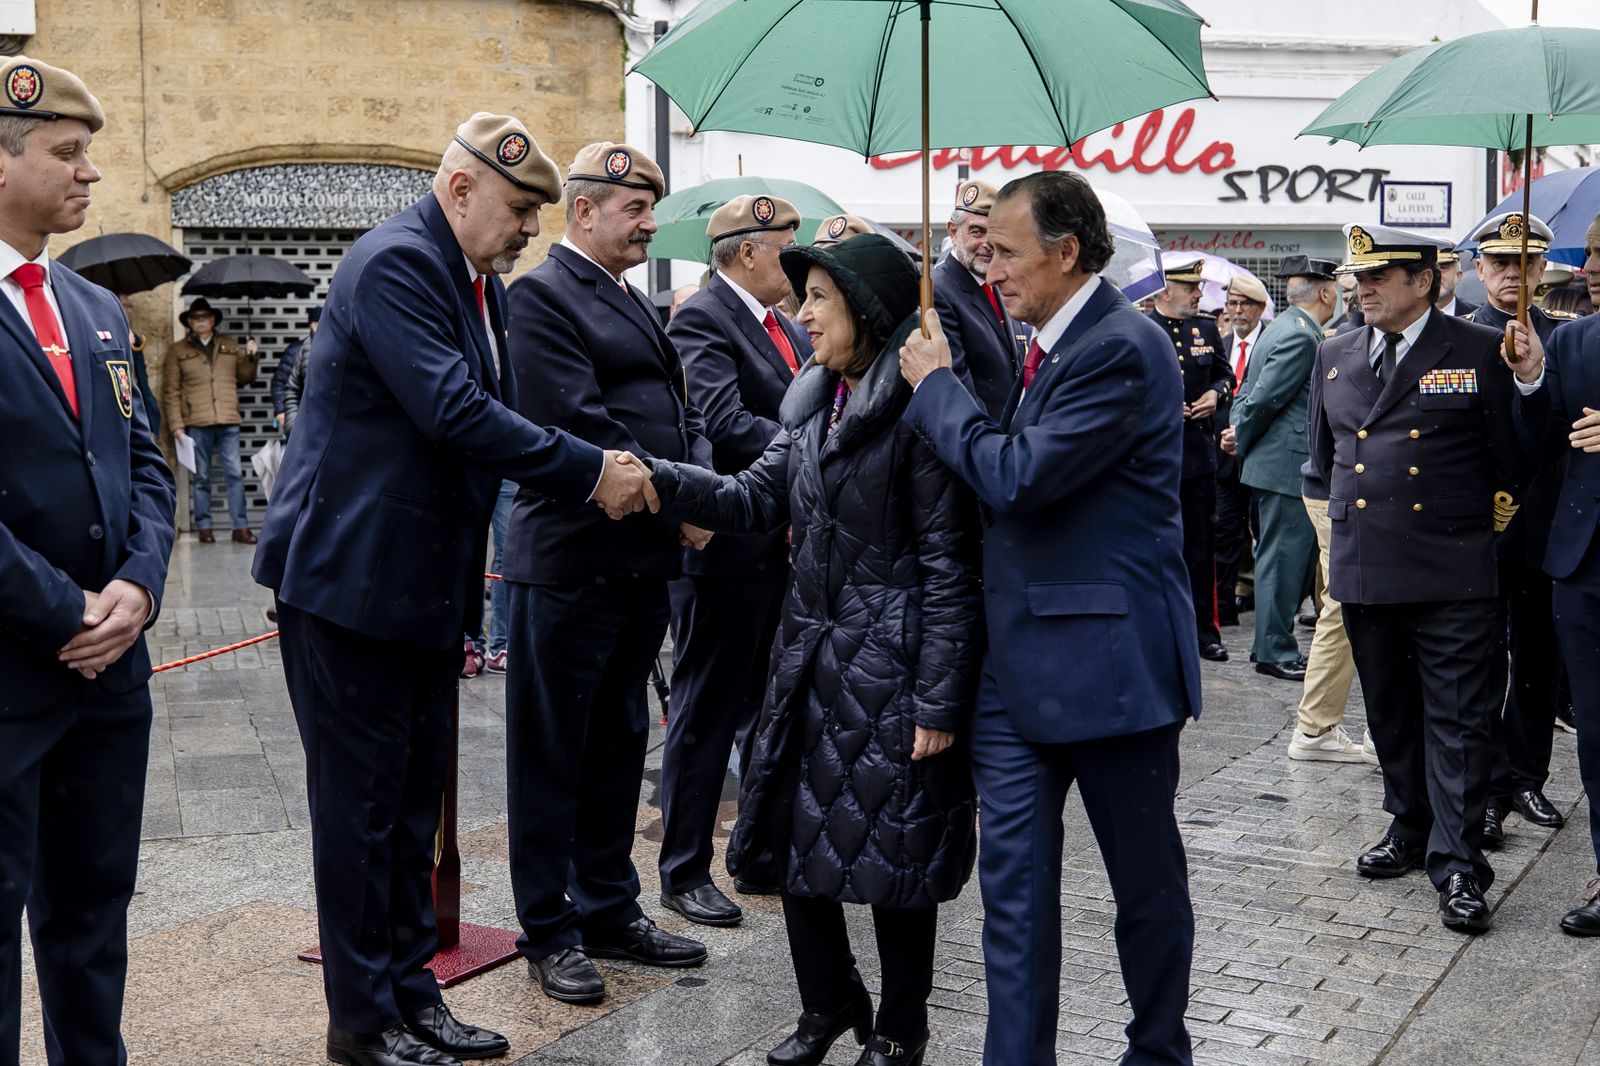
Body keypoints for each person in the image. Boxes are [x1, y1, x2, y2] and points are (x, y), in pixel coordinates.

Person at [254, 113, 656, 1066]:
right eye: (519, 208)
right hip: (350, 582)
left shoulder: (478, 281)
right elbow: (453, 410)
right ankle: (360, 1021)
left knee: (404, 810)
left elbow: (493, 410)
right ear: (461, 187)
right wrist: (588, 468)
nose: (528, 230)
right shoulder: (397, 262)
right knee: (361, 814)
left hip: (423, 584)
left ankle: (411, 994)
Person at [644, 233, 981, 1066]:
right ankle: (827, 1003)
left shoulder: (918, 412)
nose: (802, 313)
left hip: (892, 667)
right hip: (808, 659)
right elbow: (754, 498)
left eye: (821, 298)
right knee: (798, 841)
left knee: (897, 855)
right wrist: (654, 476)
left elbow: (951, 566)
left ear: (867, 312)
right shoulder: (815, 400)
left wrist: (939, 702)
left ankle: (901, 1029)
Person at [899, 171, 1200, 1066]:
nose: (990, 269)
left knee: (1143, 888)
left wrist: (938, 389)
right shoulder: (1041, 343)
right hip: (1016, 674)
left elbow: (1018, 478)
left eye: (1008, 251)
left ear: (1069, 253)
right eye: (982, 248)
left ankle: (1157, 1051)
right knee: (1015, 898)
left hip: (1113, 674)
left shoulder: (1122, 346)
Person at [501, 140, 712, 1007]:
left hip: (637, 559)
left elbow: (681, 411)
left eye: (650, 207)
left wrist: (694, 487)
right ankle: (548, 929)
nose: (650, 222)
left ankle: (608, 906)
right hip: (572, 560)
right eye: (633, 207)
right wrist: (687, 499)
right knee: (553, 752)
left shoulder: (630, 300)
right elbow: (577, 425)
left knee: (620, 741)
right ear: (583, 211)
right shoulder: (541, 297)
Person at [0, 55, 177, 1066]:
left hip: (112, 675)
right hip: (13, 668)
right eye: (66, 154)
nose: (89, 175)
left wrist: (141, 585)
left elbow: (144, 461)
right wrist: (64, 608)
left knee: (92, 918)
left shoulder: (96, 308)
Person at [1310, 222, 1530, 934]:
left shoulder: (1475, 349)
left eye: (1378, 277)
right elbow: (1324, 457)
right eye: (1357, 277)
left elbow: (1515, 459)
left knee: (1460, 724)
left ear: (1425, 282)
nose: (1361, 288)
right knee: (1391, 714)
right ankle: (1408, 825)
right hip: (1368, 568)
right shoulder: (1335, 354)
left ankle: (1459, 863)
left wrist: (1528, 378)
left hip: (1453, 569)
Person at [657, 194, 811, 928]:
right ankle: (683, 868)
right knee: (705, 713)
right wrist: (808, 453)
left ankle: (756, 851)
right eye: (787, 239)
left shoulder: (782, 325)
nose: (796, 251)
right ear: (748, 250)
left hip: (772, 548)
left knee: (763, 711)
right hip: (724, 552)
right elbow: (720, 421)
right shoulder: (704, 317)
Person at [1463, 212, 1576, 845]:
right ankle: (1478, 792)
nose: (1513, 274)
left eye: (1525, 263)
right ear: (1479, 271)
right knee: (1479, 667)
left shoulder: (1566, 337)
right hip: (1476, 527)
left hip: (1546, 522)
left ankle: (1525, 777)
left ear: (1542, 270)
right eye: (1500, 263)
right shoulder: (1456, 339)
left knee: (1537, 661)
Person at [1511, 212, 1600, 935]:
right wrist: (1533, 378)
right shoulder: (1571, 340)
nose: (1595, 266)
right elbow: (1542, 445)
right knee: (1596, 733)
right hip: (1582, 564)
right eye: (1593, 254)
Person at [1263, 257, 1377, 763]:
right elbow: (1315, 431)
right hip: (1333, 489)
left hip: (1341, 490)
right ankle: (1314, 728)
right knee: (1342, 601)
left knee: (1340, 597)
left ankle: (1320, 725)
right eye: (1359, 285)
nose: (1363, 294)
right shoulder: (1334, 343)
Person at [1225, 260, 1332, 683]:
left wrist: (1237, 429)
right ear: (1324, 293)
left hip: (1280, 463)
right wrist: (1241, 435)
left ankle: (1274, 644)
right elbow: (1264, 398)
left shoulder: (1283, 327)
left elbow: (1248, 392)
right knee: (1283, 561)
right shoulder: (1301, 335)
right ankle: (1274, 648)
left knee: (1283, 559)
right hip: (1286, 465)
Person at [1151, 254, 1233, 663]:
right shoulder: (1144, 328)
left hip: (1199, 459)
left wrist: (1216, 395)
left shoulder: (1205, 329)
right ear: (1166, 291)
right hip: (1158, 460)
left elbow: (1225, 375)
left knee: (1201, 550)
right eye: (1191, 288)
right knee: (1158, 547)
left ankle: (1205, 632)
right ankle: (1162, 628)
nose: (1200, 295)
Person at [163, 296, 261, 543]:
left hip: (228, 418)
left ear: (214, 319)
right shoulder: (178, 350)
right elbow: (171, 391)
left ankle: (241, 527)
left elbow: (246, 377)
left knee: (235, 474)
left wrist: (252, 356)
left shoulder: (229, 344)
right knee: (202, 476)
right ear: (189, 322)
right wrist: (176, 425)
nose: (201, 321)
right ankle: (204, 527)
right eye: (196, 317)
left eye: (205, 316)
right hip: (197, 421)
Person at [933, 179, 1026, 417]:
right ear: (953, 232)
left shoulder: (996, 284)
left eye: (994, 233)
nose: (987, 244)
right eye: (977, 232)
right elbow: (958, 388)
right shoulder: (939, 291)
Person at [1216, 273, 1268, 625]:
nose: (1237, 311)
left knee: (1263, 531)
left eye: (1245, 304)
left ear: (1261, 308)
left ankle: (1267, 606)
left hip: (1261, 454)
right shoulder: (1218, 344)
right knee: (1224, 530)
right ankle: (1224, 605)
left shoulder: (1272, 343)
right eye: (1232, 304)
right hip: (1223, 457)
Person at [271, 305, 319, 436]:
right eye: (317, 324)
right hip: (300, 418)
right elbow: (279, 383)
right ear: (311, 325)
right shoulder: (296, 350)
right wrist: (281, 410)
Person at [1435, 249, 1477, 317]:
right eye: (1431, 269)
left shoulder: (1476, 316)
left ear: (1458, 276)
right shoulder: (1412, 316)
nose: (1436, 275)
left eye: (1443, 268)